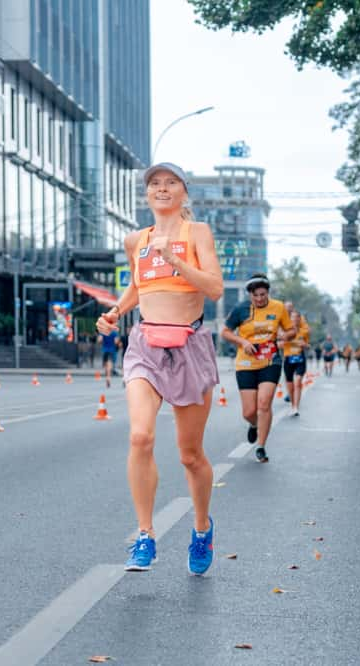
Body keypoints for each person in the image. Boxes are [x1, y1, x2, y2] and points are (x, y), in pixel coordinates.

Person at [96, 162, 223, 575]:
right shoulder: (137, 239)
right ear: (146, 194)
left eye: (170, 183)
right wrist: (115, 311)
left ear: (184, 192)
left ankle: (202, 528)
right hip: (145, 344)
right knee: (139, 436)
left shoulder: (197, 233)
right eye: (154, 184)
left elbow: (215, 288)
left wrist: (176, 260)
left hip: (189, 345)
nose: (162, 189)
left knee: (189, 455)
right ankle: (145, 535)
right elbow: (139, 285)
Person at [222, 273, 296, 464]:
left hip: (270, 361)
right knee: (248, 412)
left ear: (268, 293)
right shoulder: (241, 309)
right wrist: (242, 341)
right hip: (246, 363)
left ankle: (261, 446)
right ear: (250, 295)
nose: (260, 299)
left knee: (264, 404)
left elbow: (291, 330)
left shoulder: (279, 307)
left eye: (263, 295)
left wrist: (283, 338)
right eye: (256, 296)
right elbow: (225, 332)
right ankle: (254, 424)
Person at [282, 309, 310, 416]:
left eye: (296, 317)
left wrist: (304, 345)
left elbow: (308, 345)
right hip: (288, 359)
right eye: (292, 317)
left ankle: (296, 408)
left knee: (298, 381)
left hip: (300, 359)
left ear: (299, 319)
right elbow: (279, 344)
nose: (294, 319)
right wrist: (285, 341)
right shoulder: (286, 332)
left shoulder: (304, 331)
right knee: (290, 386)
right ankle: (293, 405)